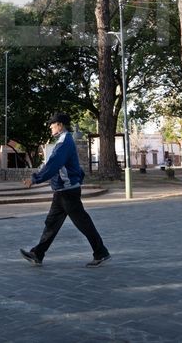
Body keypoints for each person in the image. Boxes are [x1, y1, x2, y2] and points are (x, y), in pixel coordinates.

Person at [20, 112, 110, 267]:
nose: (50, 127)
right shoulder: (64, 141)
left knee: (82, 223)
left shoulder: (64, 143)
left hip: (67, 192)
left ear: (60, 125)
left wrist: (35, 179)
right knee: (52, 223)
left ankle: (101, 252)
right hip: (63, 191)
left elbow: (53, 165)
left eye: (52, 124)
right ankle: (37, 254)